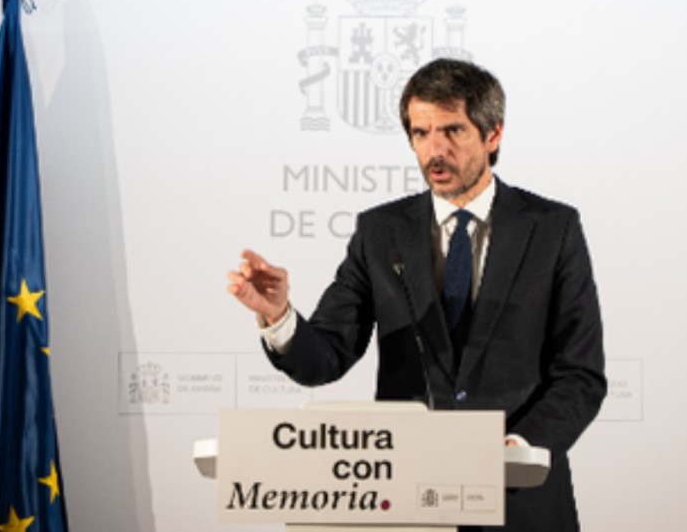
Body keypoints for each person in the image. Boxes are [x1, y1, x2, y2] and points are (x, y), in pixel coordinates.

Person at [227, 58, 606, 532]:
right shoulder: (380, 231)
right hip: (410, 501)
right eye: (421, 134)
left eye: (452, 131)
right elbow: (325, 357)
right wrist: (279, 316)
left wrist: (520, 448)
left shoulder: (552, 229)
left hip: (521, 503)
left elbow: (580, 374)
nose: (435, 150)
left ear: (493, 134)